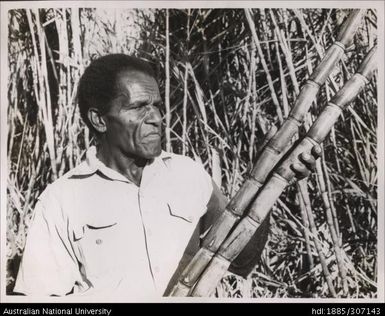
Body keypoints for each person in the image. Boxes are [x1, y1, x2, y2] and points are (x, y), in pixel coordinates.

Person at [13, 54, 319, 299]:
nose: (157, 118)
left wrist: (270, 183)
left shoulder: (188, 176)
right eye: (139, 108)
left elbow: (240, 261)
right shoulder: (62, 200)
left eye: (158, 106)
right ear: (99, 120)